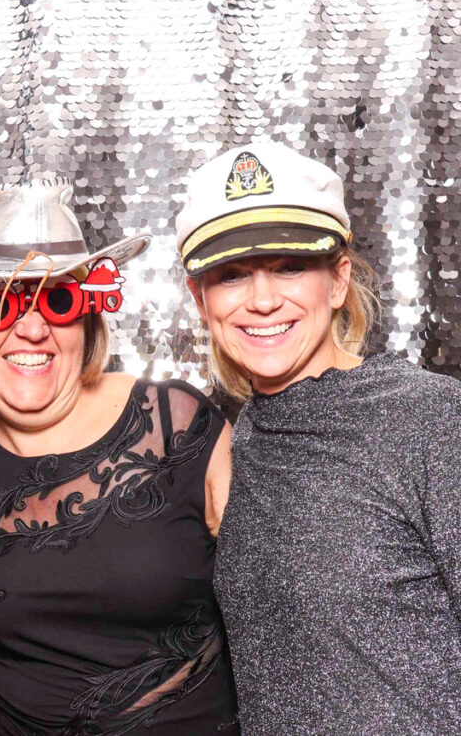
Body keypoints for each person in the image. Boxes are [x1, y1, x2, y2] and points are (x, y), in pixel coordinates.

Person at [0, 178, 240, 735]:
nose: (30, 328)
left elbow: (284, 614)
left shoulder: (178, 425)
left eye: (56, 300)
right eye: (0, 302)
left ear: (87, 317)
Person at [177, 140, 461, 731]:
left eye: (290, 266)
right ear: (200, 300)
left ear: (337, 281)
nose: (262, 300)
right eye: (231, 276)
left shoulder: (431, 419)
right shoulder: (244, 438)